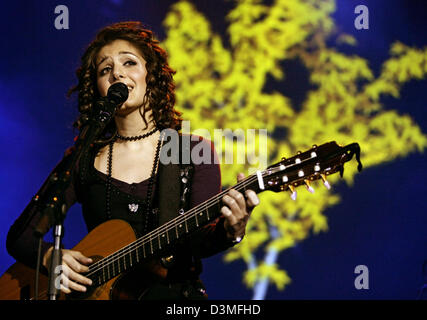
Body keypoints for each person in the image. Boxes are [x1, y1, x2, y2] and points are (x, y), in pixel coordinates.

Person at [6, 21, 259, 300]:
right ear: (99, 89)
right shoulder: (85, 158)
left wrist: (231, 230)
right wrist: (50, 257)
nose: (117, 73)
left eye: (129, 63)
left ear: (152, 76)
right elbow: (21, 236)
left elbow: (199, 241)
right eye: (105, 70)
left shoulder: (190, 150)